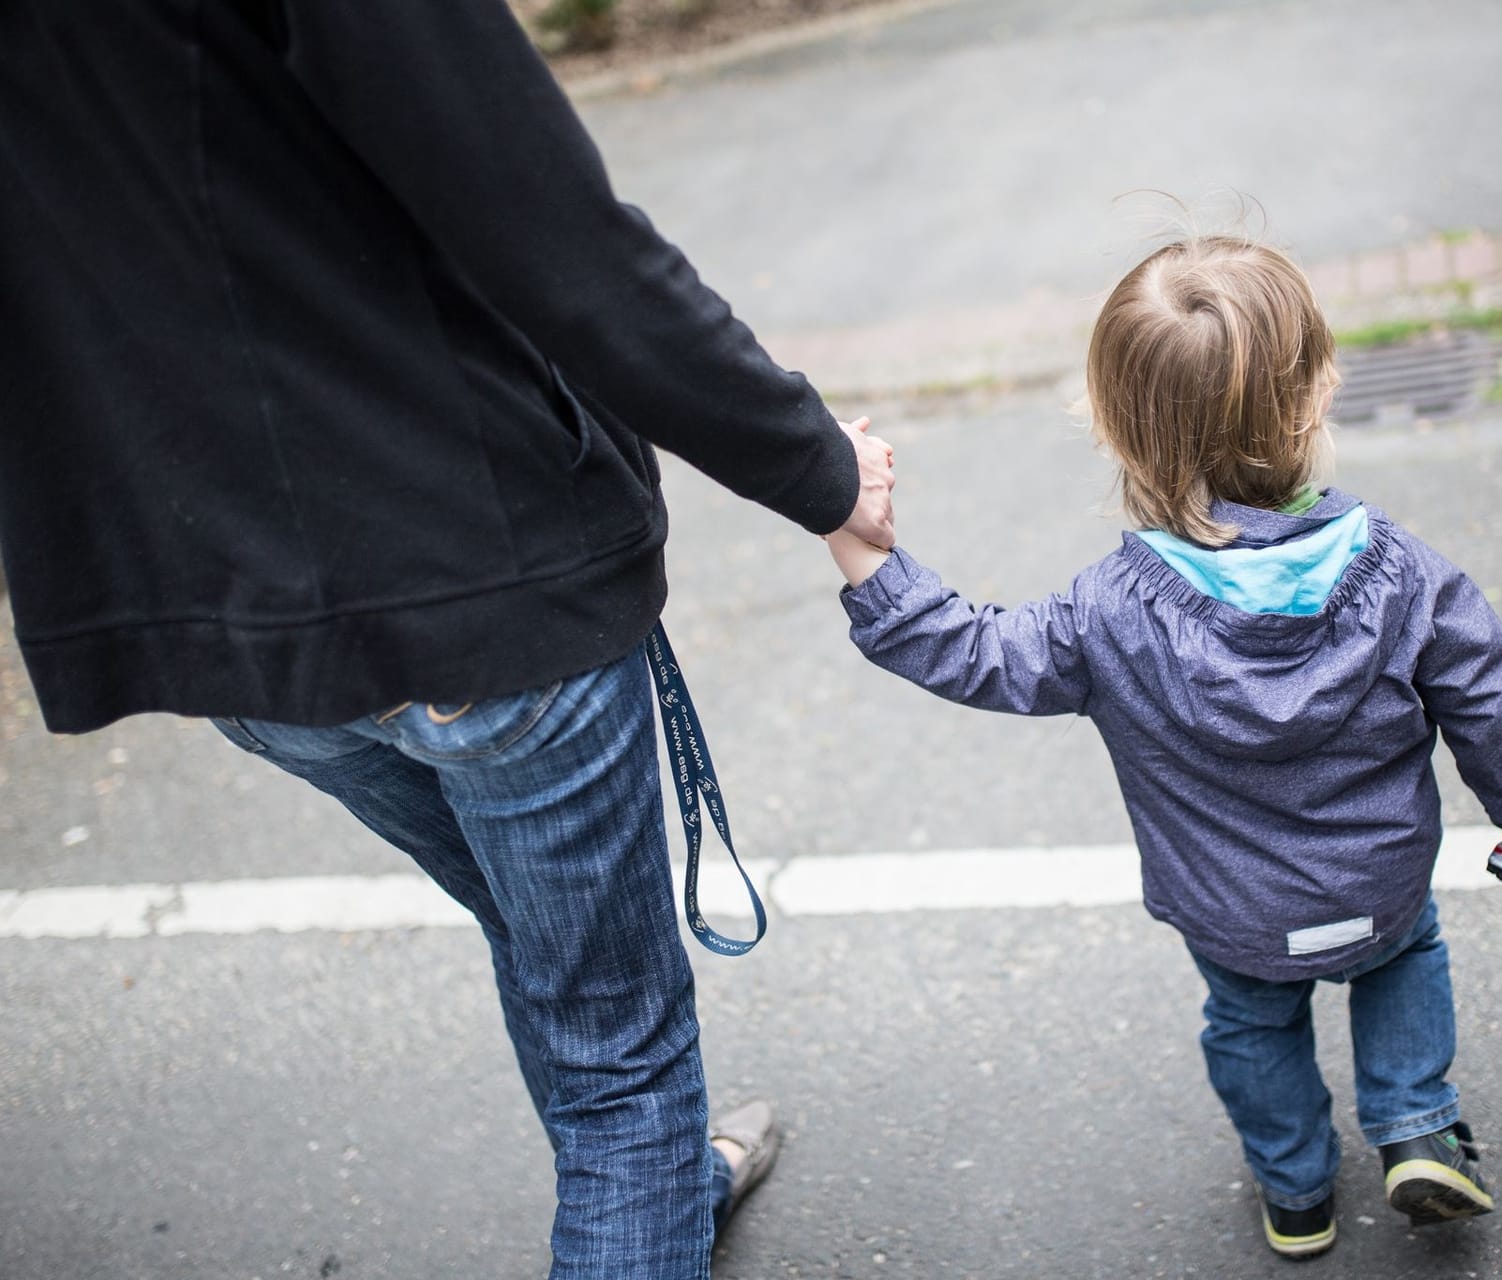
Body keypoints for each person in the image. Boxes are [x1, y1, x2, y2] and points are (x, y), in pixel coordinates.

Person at [0, 3, 893, 1276]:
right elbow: (558, 238)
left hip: (225, 620)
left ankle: (656, 1192)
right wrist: (815, 465)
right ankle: (642, 1193)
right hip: (476, 572)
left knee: (554, 958)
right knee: (619, 1073)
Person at [824, 233, 1502, 1260]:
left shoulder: (1106, 612)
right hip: (1382, 882)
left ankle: (1298, 1191)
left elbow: (974, 650)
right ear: (1317, 397)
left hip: (1232, 913)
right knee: (1407, 959)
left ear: (1113, 428)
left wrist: (856, 540)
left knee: (1252, 1025)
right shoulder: (1406, 574)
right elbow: (1497, 703)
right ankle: (1415, 1120)